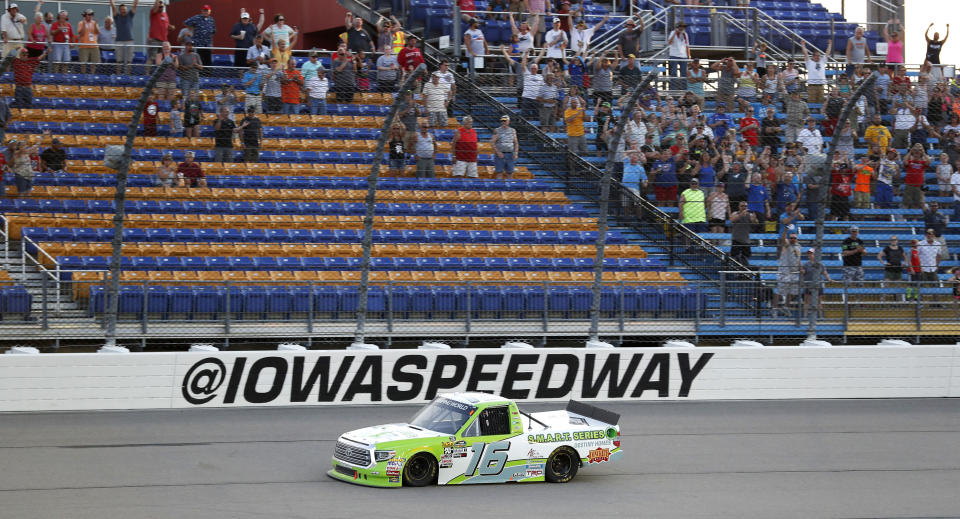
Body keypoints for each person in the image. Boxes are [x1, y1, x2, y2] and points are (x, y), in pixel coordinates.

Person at [773, 233, 802, 317]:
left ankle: (786, 307)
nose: (792, 239)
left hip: (794, 272)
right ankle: (774, 308)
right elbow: (783, 238)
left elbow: (798, 258)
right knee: (780, 291)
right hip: (784, 272)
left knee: (793, 292)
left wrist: (801, 267)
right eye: (791, 238)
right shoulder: (787, 245)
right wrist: (786, 229)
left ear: (797, 239)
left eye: (794, 238)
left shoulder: (799, 247)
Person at [801, 248, 830, 318]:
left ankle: (820, 316)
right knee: (807, 301)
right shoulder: (806, 264)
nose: (810, 255)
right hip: (808, 284)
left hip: (818, 284)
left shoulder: (820, 264)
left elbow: (825, 273)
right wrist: (803, 283)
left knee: (819, 302)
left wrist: (829, 279)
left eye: (811, 253)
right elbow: (802, 274)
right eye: (809, 253)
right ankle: (805, 316)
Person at [841, 226, 866, 303]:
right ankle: (846, 301)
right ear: (850, 232)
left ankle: (859, 301)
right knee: (847, 284)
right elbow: (845, 253)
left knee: (860, 284)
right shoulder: (846, 241)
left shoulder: (860, 241)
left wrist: (861, 250)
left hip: (858, 265)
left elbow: (865, 253)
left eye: (856, 231)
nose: (854, 233)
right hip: (848, 265)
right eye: (853, 231)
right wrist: (856, 250)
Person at [801, 40, 831, 104]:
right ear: (813, 56)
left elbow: (827, 53)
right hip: (812, 86)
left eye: (819, 55)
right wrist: (803, 45)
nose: (818, 57)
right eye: (816, 55)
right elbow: (805, 54)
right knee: (811, 102)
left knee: (820, 102)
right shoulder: (809, 63)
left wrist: (829, 45)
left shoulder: (822, 62)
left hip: (821, 86)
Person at [146, 0, 173, 71]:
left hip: (163, 40)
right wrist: (157, 3)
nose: (160, 7)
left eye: (162, 6)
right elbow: (155, 6)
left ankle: (160, 75)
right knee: (151, 58)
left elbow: (166, 25)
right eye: (159, 6)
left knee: (161, 58)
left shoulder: (165, 14)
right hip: (154, 39)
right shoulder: (153, 13)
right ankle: (147, 75)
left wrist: (170, 27)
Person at [902, 143, 929, 210]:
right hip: (909, 185)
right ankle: (904, 219)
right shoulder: (910, 162)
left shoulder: (922, 163)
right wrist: (911, 151)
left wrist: (923, 152)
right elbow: (905, 161)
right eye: (915, 154)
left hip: (918, 186)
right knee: (906, 203)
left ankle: (915, 219)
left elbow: (928, 162)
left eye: (918, 154)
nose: (916, 155)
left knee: (917, 204)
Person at [729, 200, 756, 265]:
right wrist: (741, 215)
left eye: (745, 206)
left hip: (746, 240)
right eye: (742, 206)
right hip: (736, 239)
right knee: (735, 257)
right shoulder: (735, 213)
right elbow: (732, 220)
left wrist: (754, 218)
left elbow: (755, 223)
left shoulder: (749, 215)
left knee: (746, 258)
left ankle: (745, 271)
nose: (744, 207)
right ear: (739, 207)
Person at [492, 115, 519, 180]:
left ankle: (509, 188)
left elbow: (516, 143)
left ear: (508, 121)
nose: (503, 122)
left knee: (510, 172)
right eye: (502, 121)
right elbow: (492, 142)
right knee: (499, 172)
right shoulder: (497, 130)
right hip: (500, 153)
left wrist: (515, 153)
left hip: (510, 153)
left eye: (505, 121)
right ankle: (499, 187)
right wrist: (498, 152)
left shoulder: (513, 131)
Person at [75, 8, 100, 75]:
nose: (90, 16)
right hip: (84, 46)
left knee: (94, 63)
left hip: (94, 45)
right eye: (88, 14)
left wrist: (95, 25)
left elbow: (98, 32)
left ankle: (92, 75)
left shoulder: (94, 23)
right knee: (83, 63)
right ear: (85, 15)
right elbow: (81, 34)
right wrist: (84, 24)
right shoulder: (80, 23)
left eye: (91, 14)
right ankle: (83, 76)